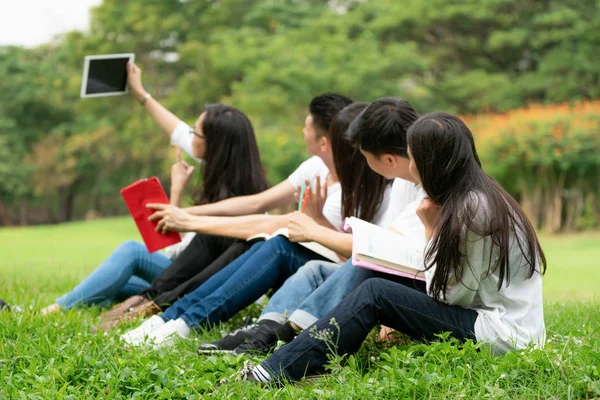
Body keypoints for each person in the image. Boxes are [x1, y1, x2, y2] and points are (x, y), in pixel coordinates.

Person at [242, 112, 547, 384]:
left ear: (430, 163)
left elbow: (450, 294)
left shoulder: (473, 211)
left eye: (413, 158)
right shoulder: (472, 193)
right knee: (371, 271)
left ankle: (275, 371)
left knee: (376, 293)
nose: (410, 166)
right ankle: (313, 353)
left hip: (502, 335)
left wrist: (431, 230)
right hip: (487, 315)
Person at [120, 102, 419, 349]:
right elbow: (258, 205)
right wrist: (189, 216)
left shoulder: (387, 188)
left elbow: (371, 257)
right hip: (333, 262)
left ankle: (179, 320)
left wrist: (315, 225)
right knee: (267, 243)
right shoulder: (329, 173)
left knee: (275, 246)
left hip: (348, 269)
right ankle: (174, 318)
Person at [94, 92, 354, 329]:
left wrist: (187, 218)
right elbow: (257, 203)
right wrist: (189, 214)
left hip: (306, 269)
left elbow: (277, 225)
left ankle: (163, 310)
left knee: (256, 243)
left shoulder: (344, 190)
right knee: (130, 263)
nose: (301, 130)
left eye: (306, 126)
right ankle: (151, 303)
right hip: (188, 271)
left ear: (322, 141)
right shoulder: (316, 168)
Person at [41, 62, 269, 316]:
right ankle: (64, 306)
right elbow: (177, 129)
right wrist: (141, 94)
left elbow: (177, 255)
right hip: (180, 275)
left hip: (197, 285)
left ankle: (53, 310)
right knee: (114, 282)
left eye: (196, 133)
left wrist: (176, 194)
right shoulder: (226, 166)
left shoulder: (240, 207)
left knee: (132, 252)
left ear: (214, 146)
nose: (189, 136)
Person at [203, 97, 425, 355]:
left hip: (416, 289)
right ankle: (265, 330)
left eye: (363, 156)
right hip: (389, 276)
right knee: (313, 270)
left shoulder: (427, 192)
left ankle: (288, 337)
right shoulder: (402, 182)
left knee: (315, 255)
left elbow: (382, 252)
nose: (359, 163)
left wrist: (313, 229)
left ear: (387, 160)